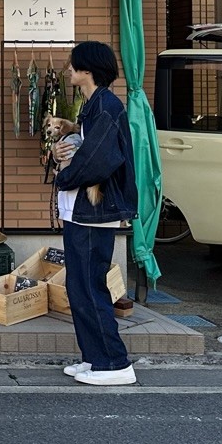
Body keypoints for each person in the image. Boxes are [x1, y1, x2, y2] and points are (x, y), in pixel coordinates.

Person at [51, 40, 138, 387]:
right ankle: (94, 358)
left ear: (88, 69)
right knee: (79, 288)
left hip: (94, 212)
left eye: (73, 64)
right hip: (83, 211)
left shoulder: (105, 107)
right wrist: (69, 136)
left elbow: (99, 160)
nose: (69, 69)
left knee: (89, 287)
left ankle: (115, 363)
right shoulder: (94, 105)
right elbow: (90, 147)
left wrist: (64, 177)